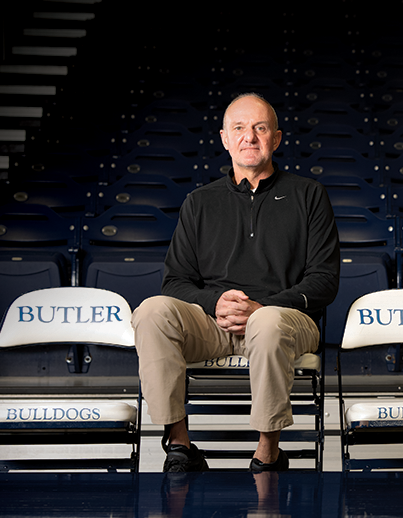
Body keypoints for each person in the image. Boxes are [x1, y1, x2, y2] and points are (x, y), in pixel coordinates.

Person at [132, 93, 340, 472]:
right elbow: (175, 282)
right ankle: (180, 446)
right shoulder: (199, 202)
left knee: (267, 321)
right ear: (225, 139)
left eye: (260, 128)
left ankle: (267, 453)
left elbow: (325, 281)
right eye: (239, 129)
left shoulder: (309, 195)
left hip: (285, 321)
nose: (250, 137)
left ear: (276, 139)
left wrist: (262, 308)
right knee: (152, 311)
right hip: (215, 323)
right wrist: (215, 303)